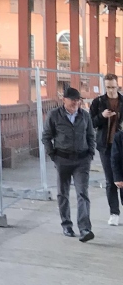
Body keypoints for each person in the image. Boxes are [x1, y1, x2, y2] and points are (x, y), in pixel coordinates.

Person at [42, 87, 95, 241]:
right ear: (64, 100)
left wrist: (90, 154)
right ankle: (66, 225)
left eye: (78, 100)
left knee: (82, 193)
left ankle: (85, 229)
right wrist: (53, 155)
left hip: (82, 160)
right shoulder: (54, 115)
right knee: (62, 193)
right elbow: (46, 137)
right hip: (62, 159)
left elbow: (91, 135)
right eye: (72, 100)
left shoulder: (85, 116)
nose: (75, 103)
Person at [91, 74, 121, 225]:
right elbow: (90, 123)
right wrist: (102, 116)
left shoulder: (122, 101)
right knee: (110, 180)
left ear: (118, 86)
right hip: (106, 146)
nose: (111, 90)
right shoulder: (98, 102)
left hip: (121, 146)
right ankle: (114, 213)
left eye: (113, 87)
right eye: (108, 87)